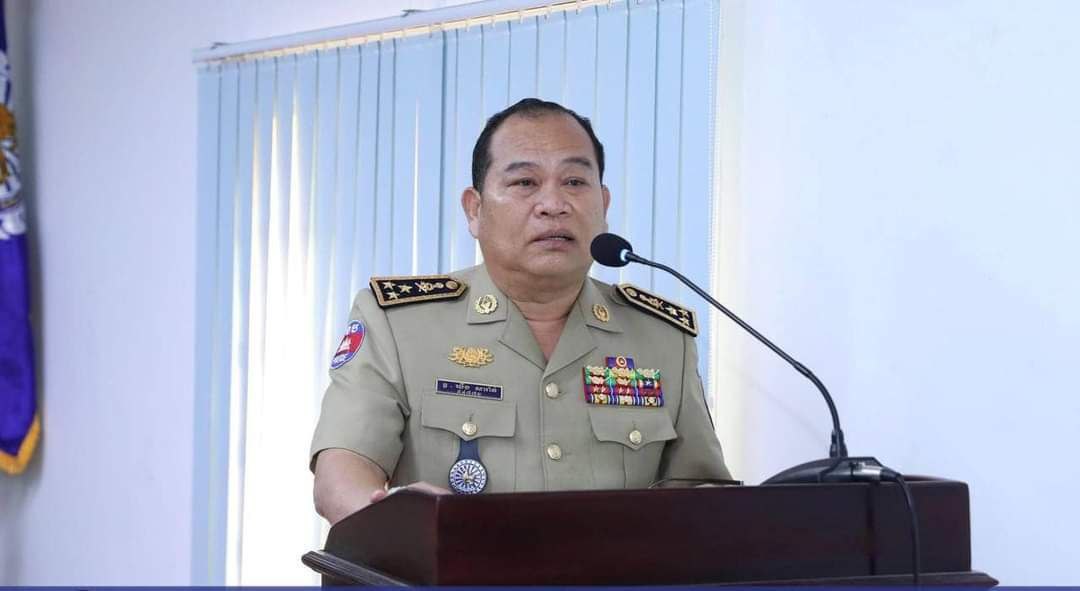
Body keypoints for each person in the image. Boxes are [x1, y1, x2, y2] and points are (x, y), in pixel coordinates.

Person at [310, 98, 731, 525]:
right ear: (475, 210)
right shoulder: (399, 325)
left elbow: (702, 494)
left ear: (603, 206)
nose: (553, 203)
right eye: (525, 182)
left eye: (574, 182)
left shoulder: (663, 338)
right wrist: (408, 521)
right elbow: (341, 476)